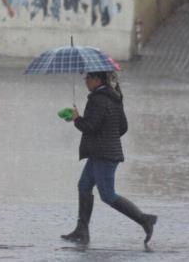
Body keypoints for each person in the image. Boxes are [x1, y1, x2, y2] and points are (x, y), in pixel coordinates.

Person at [61, 71, 157, 244]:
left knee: (107, 195)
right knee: (84, 186)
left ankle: (144, 219)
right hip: (102, 152)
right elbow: (122, 127)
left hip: (104, 155)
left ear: (97, 79)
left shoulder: (97, 99)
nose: (85, 82)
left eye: (87, 78)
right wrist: (108, 137)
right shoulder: (115, 96)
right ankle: (82, 230)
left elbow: (90, 127)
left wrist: (76, 119)